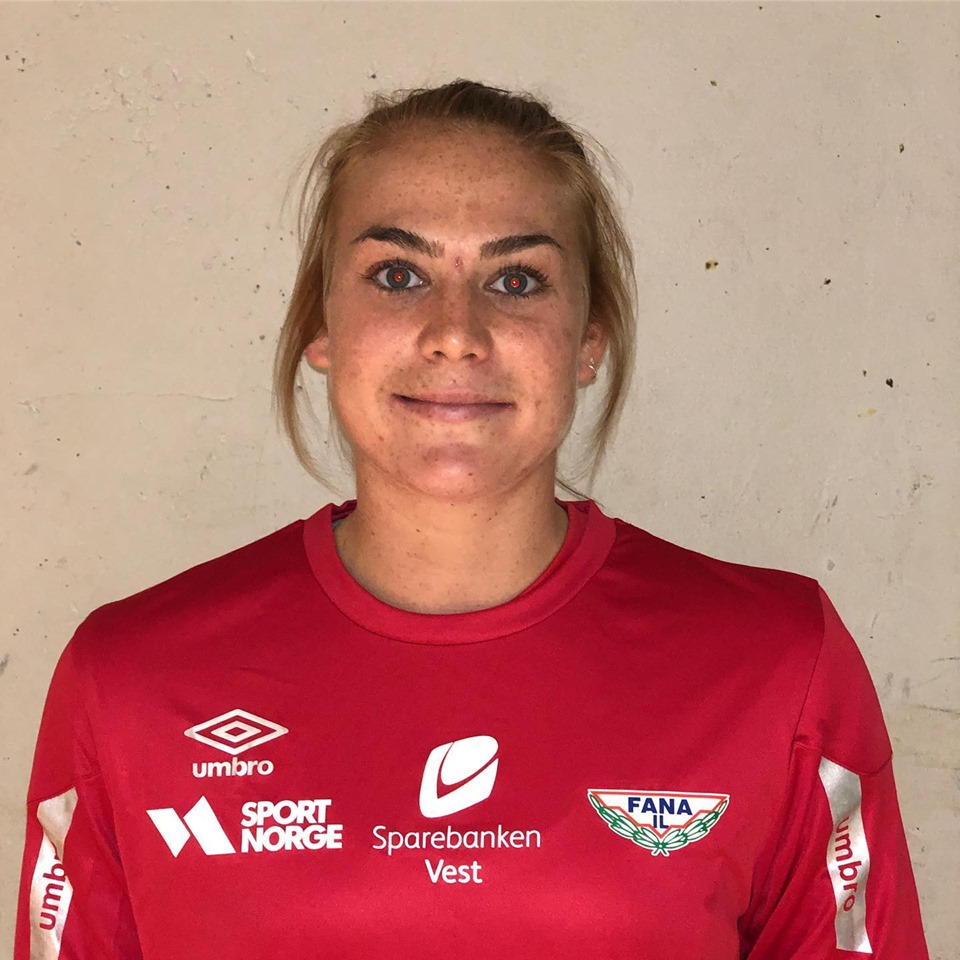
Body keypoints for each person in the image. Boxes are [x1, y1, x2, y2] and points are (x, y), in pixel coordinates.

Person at [15, 79, 928, 959]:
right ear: (321, 327)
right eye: (398, 274)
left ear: (590, 338)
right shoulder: (130, 681)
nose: (456, 332)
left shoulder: (777, 666)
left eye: (518, 280)